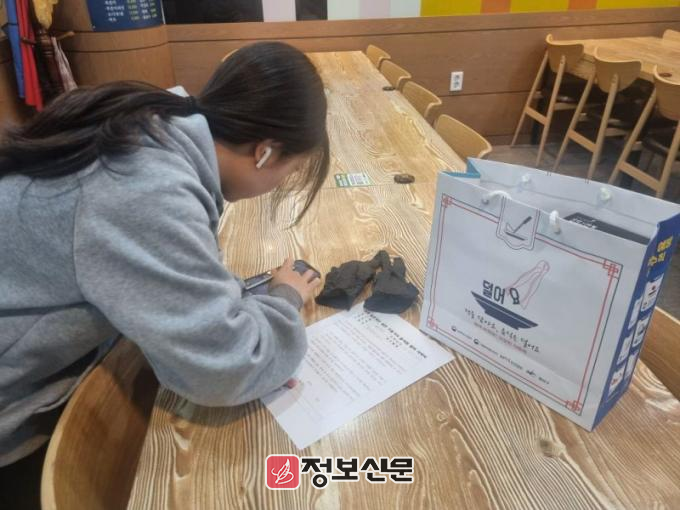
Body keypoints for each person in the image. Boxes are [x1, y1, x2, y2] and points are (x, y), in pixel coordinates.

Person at [0, 41, 329, 468]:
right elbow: (227, 368)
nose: (281, 184)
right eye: (292, 171)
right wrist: (284, 299)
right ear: (265, 152)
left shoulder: (161, 124)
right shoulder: (146, 188)